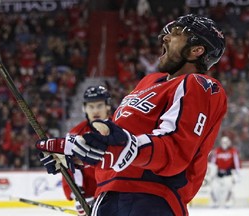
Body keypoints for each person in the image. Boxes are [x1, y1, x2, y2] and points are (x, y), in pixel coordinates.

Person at [36, 14, 227, 216]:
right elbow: (118, 143)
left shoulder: (199, 85)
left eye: (177, 34)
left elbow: (175, 150)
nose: (165, 38)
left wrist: (126, 148)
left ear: (196, 50)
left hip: (151, 199)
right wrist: (75, 152)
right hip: (107, 196)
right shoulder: (149, 82)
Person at [60, 85, 113, 215]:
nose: (95, 110)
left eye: (99, 105)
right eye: (91, 106)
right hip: (92, 198)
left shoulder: (120, 129)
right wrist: (77, 196)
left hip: (118, 194)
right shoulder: (75, 136)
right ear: (84, 108)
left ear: (108, 106)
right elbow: (69, 169)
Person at [209, 136, 241, 208]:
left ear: (229, 143)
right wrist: (211, 173)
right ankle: (215, 201)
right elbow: (213, 163)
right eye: (223, 142)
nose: (224, 144)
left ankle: (228, 201)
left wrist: (238, 174)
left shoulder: (233, 151)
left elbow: (236, 163)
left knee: (229, 187)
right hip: (218, 174)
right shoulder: (217, 151)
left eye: (226, 142)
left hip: (228, 174)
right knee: (213, 187)